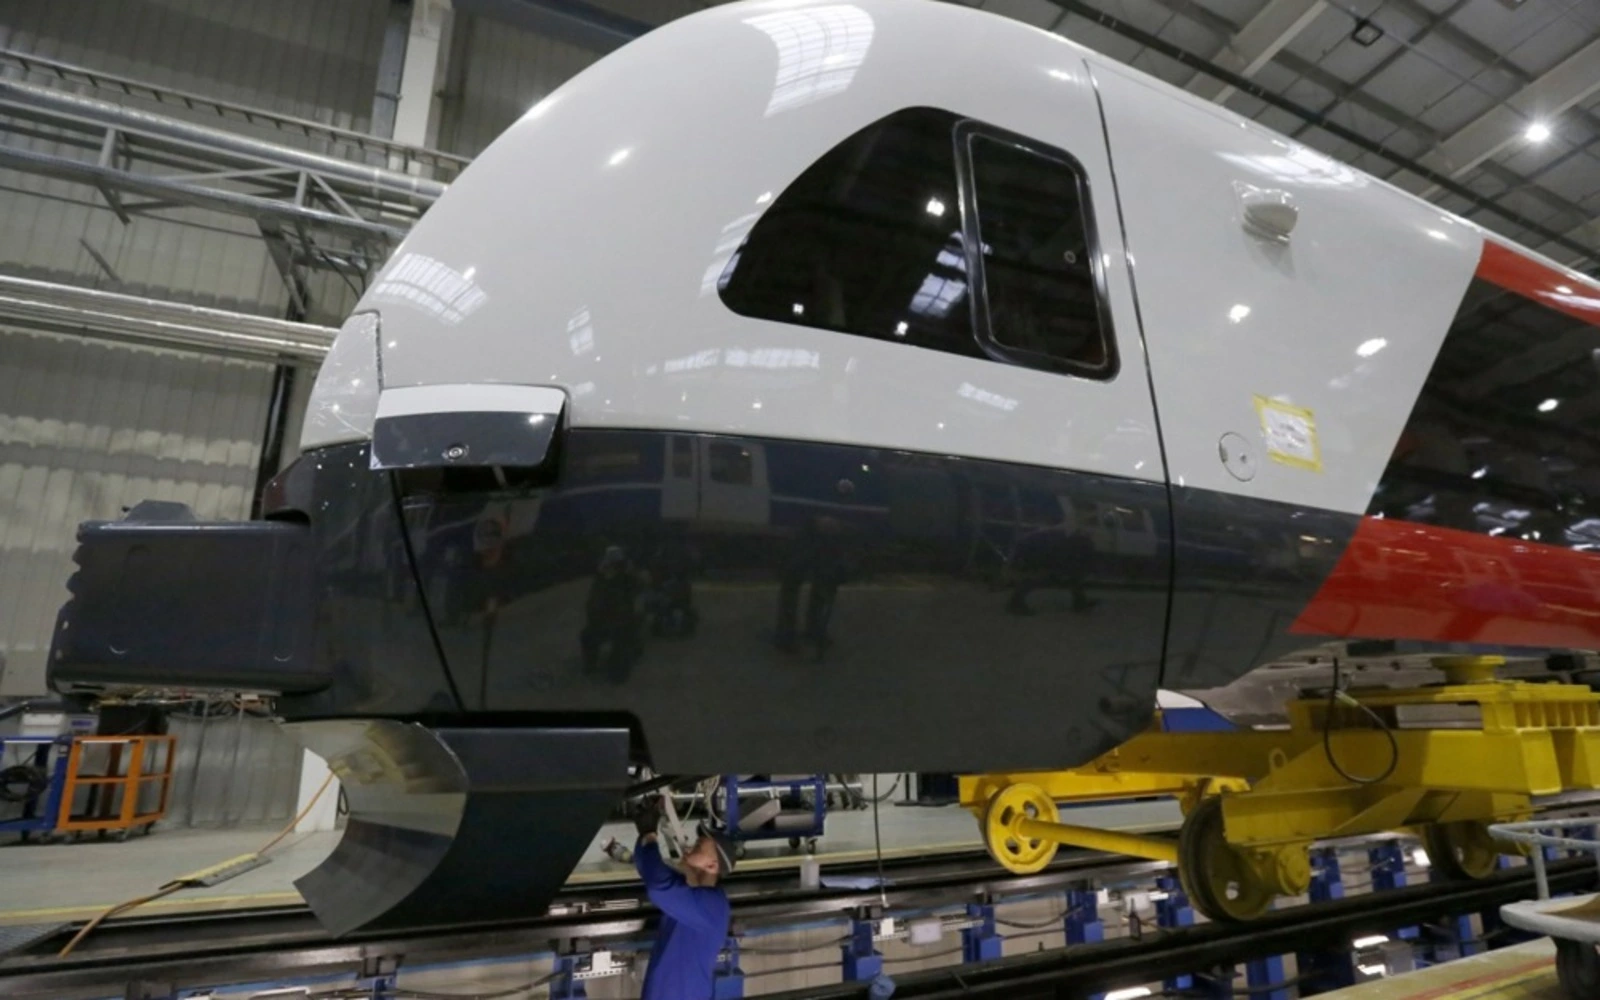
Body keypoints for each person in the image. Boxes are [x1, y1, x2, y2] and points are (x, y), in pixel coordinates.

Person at [633, 800, 735, 999]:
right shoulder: (689, 893)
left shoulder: (714, 906)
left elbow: (658, 886)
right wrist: (644, 835)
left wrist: (650, 835)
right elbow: (650, 872)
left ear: (712, 865)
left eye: (698, 846)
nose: (689, 848)